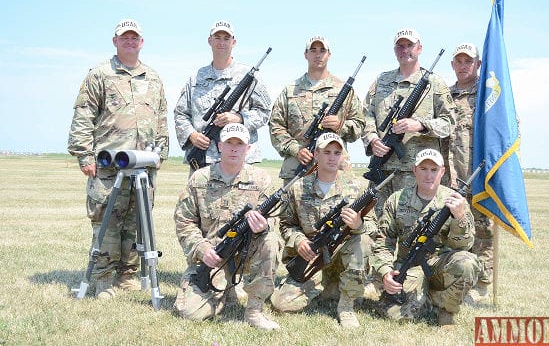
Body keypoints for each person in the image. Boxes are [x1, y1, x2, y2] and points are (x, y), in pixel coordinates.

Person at [67, 18, 169, 299]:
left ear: (141, 42)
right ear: (115, 41)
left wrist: (161, 153)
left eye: (134, 37)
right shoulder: (99, 74)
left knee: (137, 221)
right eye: (124, 37)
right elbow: (83, 115)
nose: (130, 41)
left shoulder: (154, 78)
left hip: (144, 165)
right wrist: (84, 154)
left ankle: (127, 274)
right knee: (107, 222)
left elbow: (161, 119)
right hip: (108, 165)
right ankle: (102, 280)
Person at [173, 123, 280, 331]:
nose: (233, 148)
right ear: (219, 146)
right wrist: (203, 250)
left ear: (248, 149)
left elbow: (274, 220)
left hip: (245, 254)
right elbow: (184, 221)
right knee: (189, 313)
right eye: (229, 143)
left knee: (271, 240)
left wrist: (263, 226)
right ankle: (224, 293)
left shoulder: (262, 180)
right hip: (213, 256)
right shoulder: (199, 178)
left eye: (239, 144)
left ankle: (254, 311)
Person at [270, 133, 376, 329]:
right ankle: (327, 289)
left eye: (337, 153)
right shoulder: (298, 188)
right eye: (326, 152)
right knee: (281, 304)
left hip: (341, 257)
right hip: (312, 257)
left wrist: (358, 225)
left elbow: (373, 228)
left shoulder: (356, 188)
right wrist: (299, 241)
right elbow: (286, 224)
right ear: (316, 154)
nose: (332, 157)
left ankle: (346, 306)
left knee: (363, 241)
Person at [371, 149, 480, 327]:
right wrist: (385, 272)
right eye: (423, 169)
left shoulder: (456, 201)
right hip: (410, 265)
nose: (428, 175)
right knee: (398, 316)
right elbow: (383, 242)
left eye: (433, 170)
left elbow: (465, 246)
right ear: (414, 170)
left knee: (467, 263)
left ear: (442, 172)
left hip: (441, 266)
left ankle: (446, 313)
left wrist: (459, 218)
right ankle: (432, 299)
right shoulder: (397, 200)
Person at [362, 28, 455, 219]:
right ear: (395, 50)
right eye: (400, 46)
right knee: (378, 226)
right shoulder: (381, 81)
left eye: (410, 45)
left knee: (411, 227)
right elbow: (366, 116)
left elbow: (449, 123)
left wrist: (420, 125)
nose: (405, 50)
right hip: (382, 169)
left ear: (419, 48)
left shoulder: (434, 83)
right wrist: (372, 140)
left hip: (418, 174)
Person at [174, 20, 271, 173]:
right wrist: (192, 135)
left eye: (226, 38)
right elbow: (180, 114)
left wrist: (239, 118)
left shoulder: (248, 78)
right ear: (209, 41)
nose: (222, 42)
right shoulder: (196, 78)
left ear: (234, 42)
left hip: (239, 160)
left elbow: (265, 112)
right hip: (203, 160)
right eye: (217, 37)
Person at [269, 35, 365, 184]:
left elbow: (359, 124)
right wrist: (296, 150)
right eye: (313, 50)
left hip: (336, 172)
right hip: (297, 170)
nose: (318, 54)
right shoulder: (290, 91)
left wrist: (340, 126)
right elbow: (275, 126)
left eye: (322, 50)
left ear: (329, 54)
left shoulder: (343, 90)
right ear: (305, 54)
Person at [448, 42, 494, 304]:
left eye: (468, 61)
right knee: (454, 229)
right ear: (453, 65)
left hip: (478, 175)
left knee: (482, 230)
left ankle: (482, 285)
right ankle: (456, 280)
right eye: (459, 61)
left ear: (478, 64)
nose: (463, 66)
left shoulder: (488, 95)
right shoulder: (445, 94)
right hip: (450, 175)